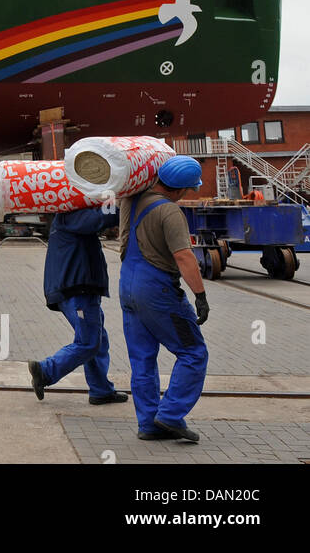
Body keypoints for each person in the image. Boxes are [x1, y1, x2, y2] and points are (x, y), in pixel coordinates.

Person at [118, 155, 210, 442]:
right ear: (180, 188)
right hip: (157, 291)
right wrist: (200, 295)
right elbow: (184, 256)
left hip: (128, 285)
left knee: (142, 359)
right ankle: (170, 416)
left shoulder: (130, 201)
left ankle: (149, 424)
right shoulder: (169, 212)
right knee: (194, 353)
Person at [28, 207, 125, 405]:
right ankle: (45, 371)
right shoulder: (72, 214)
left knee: (97, 339)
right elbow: (100, 219)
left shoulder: (68, 213)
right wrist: (121, 205)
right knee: (88, 342)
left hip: (78, 287)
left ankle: (101, 390)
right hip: (76, 289)